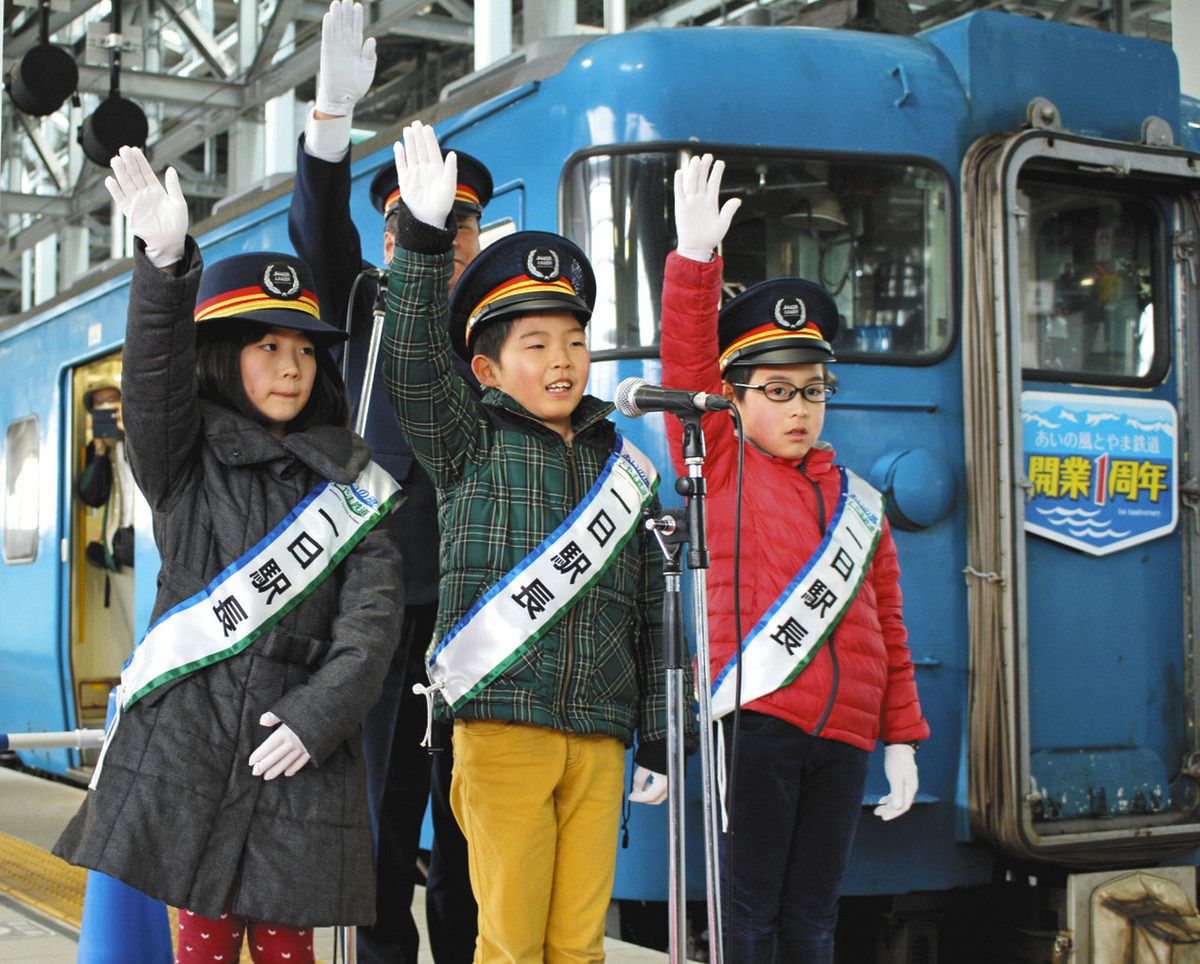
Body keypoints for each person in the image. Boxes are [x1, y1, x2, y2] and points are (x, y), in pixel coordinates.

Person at [54, 146, 405, 964]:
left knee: (289, 949)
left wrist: (319, 717)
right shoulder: (184, 460)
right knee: (201, 947)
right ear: (223, 356)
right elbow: (151, 385)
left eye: (306, 351)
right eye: (267, 348)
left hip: (302, 757)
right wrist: (167, 270)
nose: (291, 367)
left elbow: (374, 622)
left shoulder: (354, 478)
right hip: (195, 750)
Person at [381, 121, 687, 962]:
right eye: (537, 345)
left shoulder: (623, 469)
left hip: (599, 735)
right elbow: (409, 361)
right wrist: (420, 242)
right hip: (499, 729)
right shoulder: (466, 440)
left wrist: (655, 732)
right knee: (510, 942)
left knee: (578, 945)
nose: (564, 360)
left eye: (577, 341)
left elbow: (646, 610)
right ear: (486, 369)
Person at [659, 154, 930, 963]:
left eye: (812, 389)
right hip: (760, 723)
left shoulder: (859, 503)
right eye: (775, 390)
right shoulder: (723, 466)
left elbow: (889, 624)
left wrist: (903, 738)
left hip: (843, 740)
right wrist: (694, 265)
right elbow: (686, 363)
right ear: (733, 401)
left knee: (814, 922)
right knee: (747, 921)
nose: (799, 407)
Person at [286, 5, 489, 960]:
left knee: (469, 833)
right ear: (391, 224)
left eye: (459, 219)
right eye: (419, 214)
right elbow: (320, 233)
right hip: (384, 604)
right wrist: (330, 121)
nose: (442, 231)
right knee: (379, 828)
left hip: (489, 610)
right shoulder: (362, 301)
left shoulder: (504, 333)